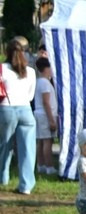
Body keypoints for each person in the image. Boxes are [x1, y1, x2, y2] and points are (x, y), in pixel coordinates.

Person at [0, 39, 37, 195]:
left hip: (6, 109)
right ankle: (26, 185)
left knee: (4, 146)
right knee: (27, 149)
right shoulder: (30, 71)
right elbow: (30, 96)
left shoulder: (2, 68)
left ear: (6, 52)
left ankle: (3, 177)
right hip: (26, 110)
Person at [33, 58, 57, 176]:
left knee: (41, 142)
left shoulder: (39, 82)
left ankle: (40, 165)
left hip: (39, 114)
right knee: (48, 141)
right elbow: (46, 102)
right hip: (45, 115)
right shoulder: (45, 83)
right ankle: (49, 166)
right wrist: (51, 120)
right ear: (47, 68)